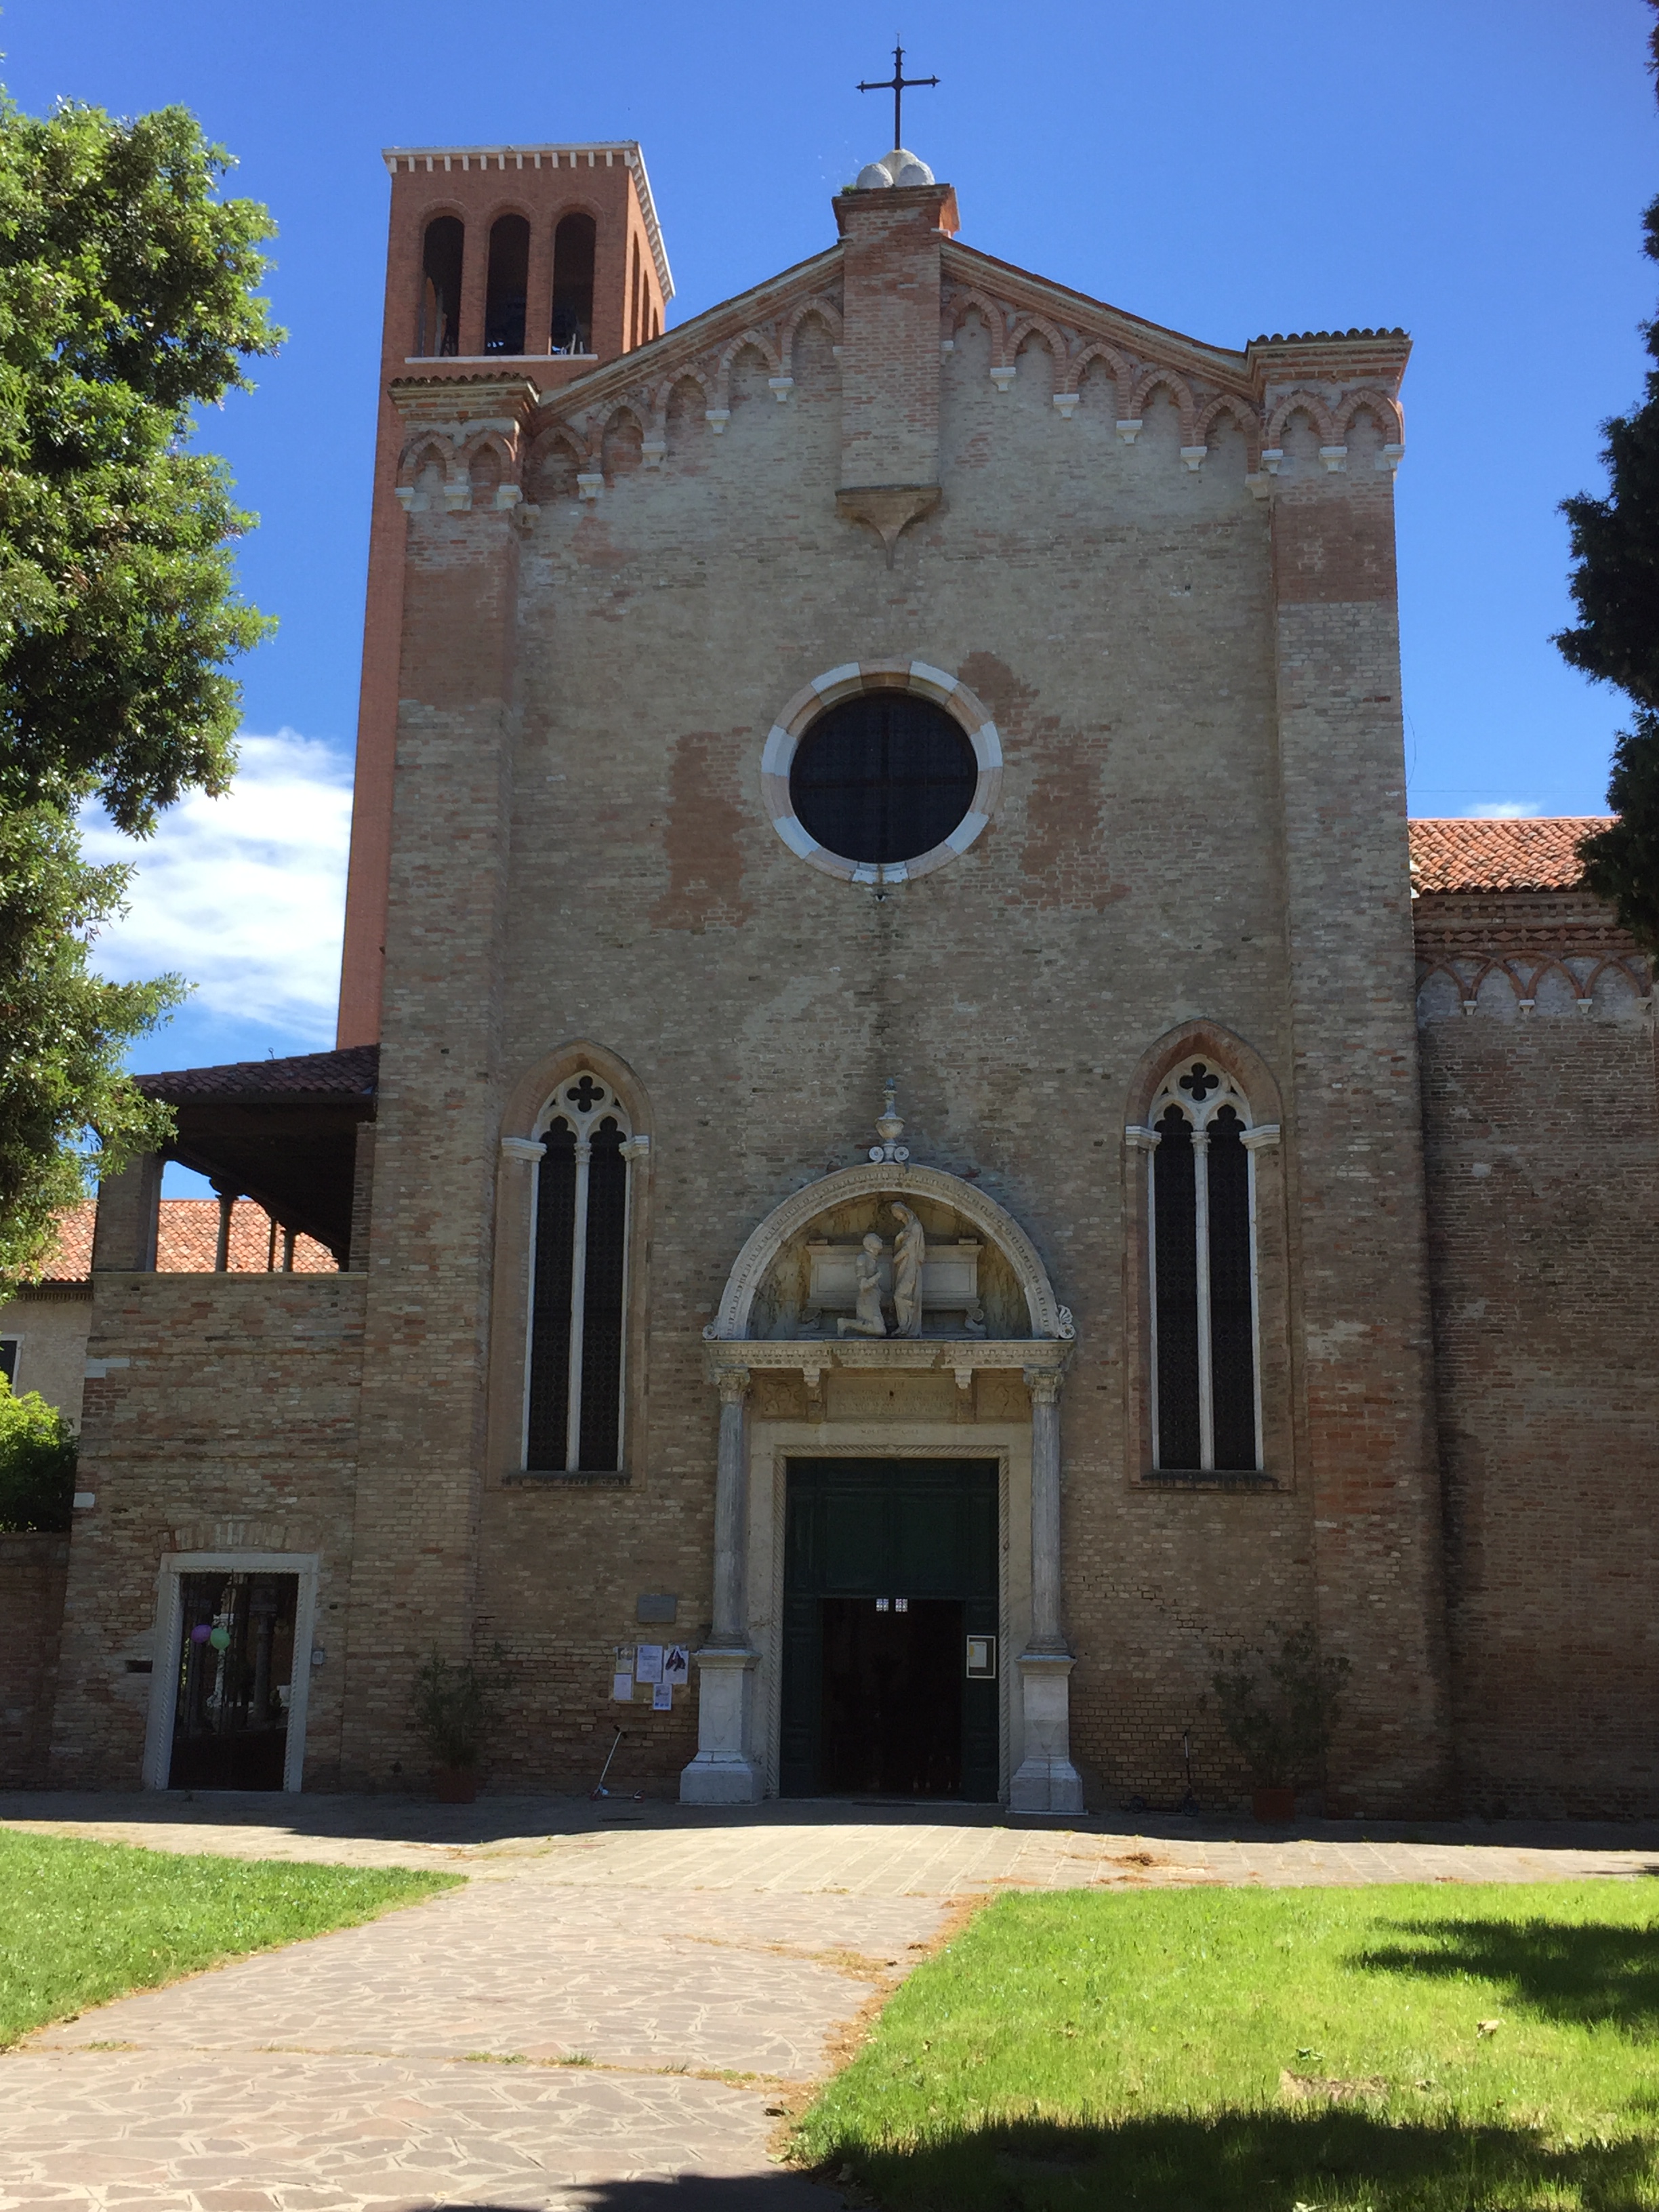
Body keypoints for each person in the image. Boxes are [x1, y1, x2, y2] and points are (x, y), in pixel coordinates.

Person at [837, 1231, 888, 1337]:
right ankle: (845, 1323)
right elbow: (863, 1286)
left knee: (880, 1329)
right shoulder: (862, 1259)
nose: (881, 1240)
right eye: (877, 1239)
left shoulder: (873, 1259)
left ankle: (846, 1323)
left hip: (873, 1299)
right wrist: (878, 1276)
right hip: (866, 1300)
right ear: (870, 1244)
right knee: (880, 1330)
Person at [891, 1203, 925, 1338]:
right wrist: (898, 1239)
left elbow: (908, 1247)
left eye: (896, 1213)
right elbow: (898, 1247)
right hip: (903, 1266)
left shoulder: (915, 1226)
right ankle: (904, 1326)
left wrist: (896, 1258)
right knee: (901, 1296)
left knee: (900, 1296)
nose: (895, 1216)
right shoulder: (905, 1228)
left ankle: (907, 1326)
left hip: (911, 1265)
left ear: (903, 1211)